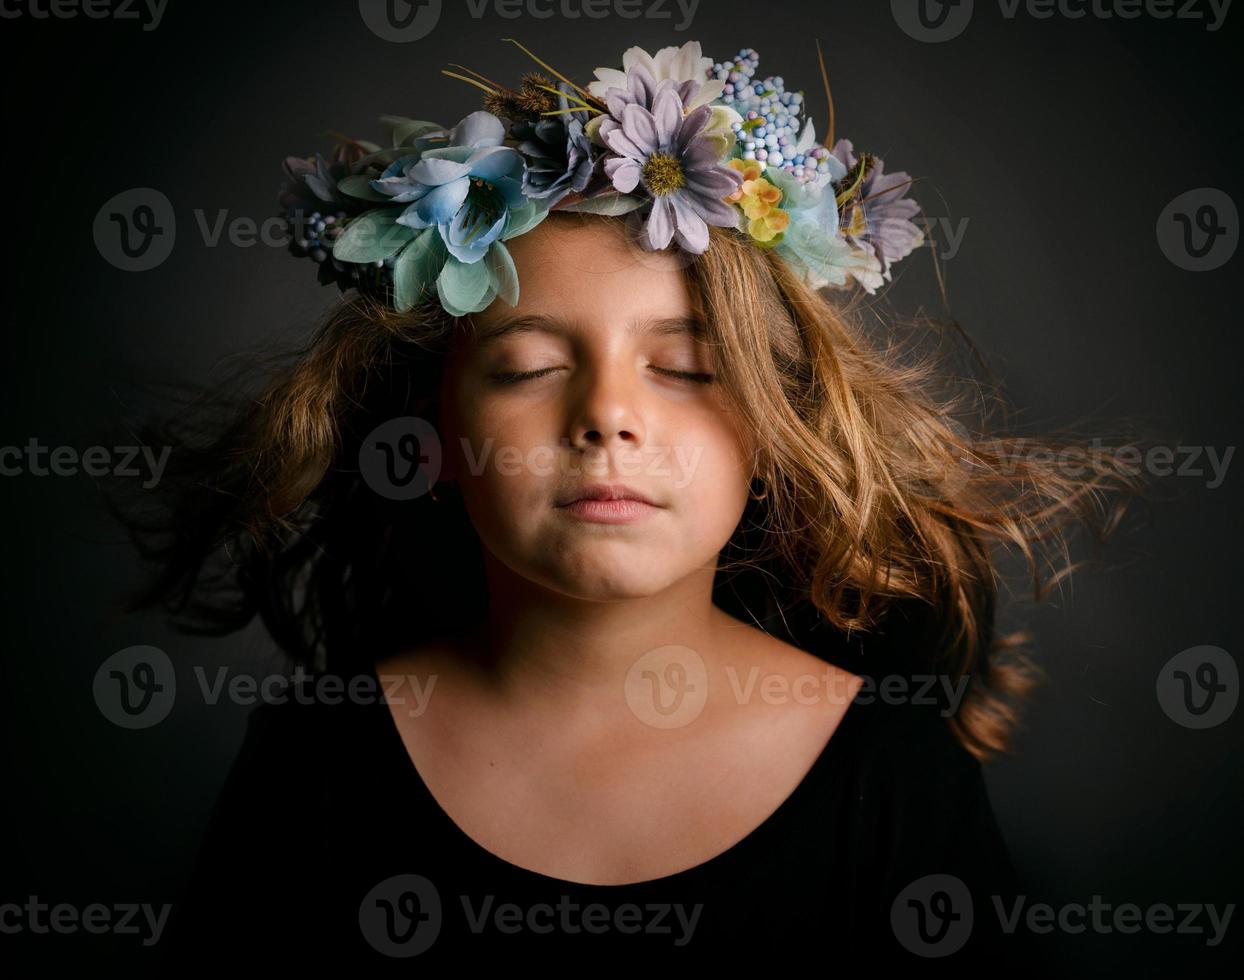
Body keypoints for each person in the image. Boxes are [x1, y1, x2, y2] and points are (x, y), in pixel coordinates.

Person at [108, 39, 1141, 971]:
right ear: (425, 444)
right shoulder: (318, 760)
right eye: (523, 367)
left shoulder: (890, 771)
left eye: (685, 369)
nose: (606, 416)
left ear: (772, 435)